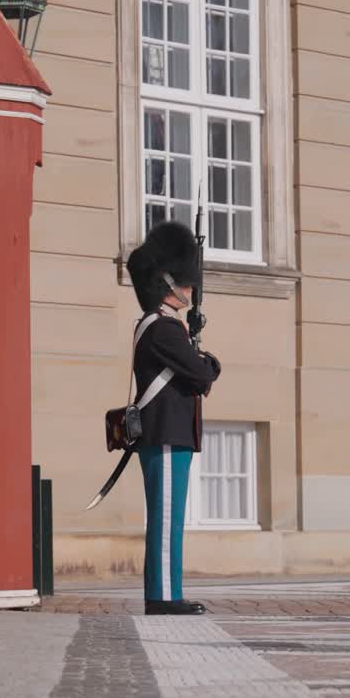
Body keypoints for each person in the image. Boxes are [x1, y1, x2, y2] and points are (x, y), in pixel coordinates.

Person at [125, 222, 221, 615]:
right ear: (170, 282)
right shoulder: (162, 329)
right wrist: (208, 361)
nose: (191, 289)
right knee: (166, 520)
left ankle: (166, 593)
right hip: (166, 434)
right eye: (187, 282)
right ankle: (163, 597)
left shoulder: (167, 327)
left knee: (170, 520)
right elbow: (200, 374)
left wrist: (193, 342)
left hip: (171, 434)